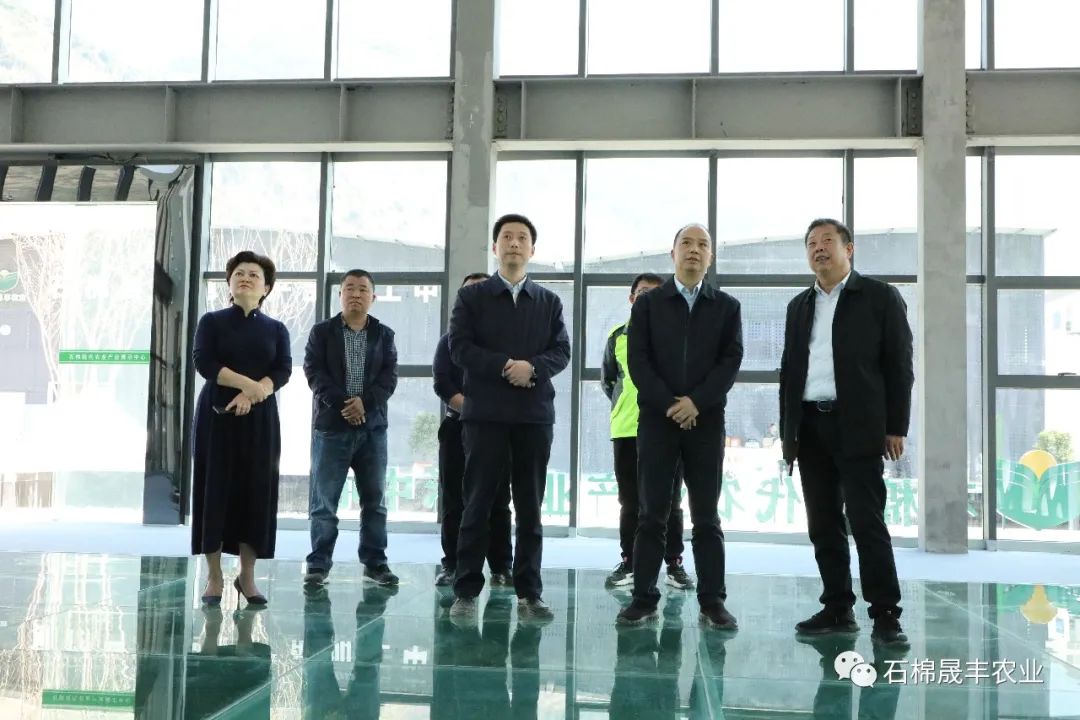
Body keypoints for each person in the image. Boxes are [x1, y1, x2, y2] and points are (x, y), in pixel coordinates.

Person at [779, 218, 913, 648]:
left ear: (848, 248)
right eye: (811, 244)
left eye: (827, 241)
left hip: (859, 425)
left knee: (866, 521)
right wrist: (788, 435)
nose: (819, 249)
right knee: (822, 524)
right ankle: (837, 606)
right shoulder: (799, 306)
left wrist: (896, 426)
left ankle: (886, 613)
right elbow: (789, 373)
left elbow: (899, 366)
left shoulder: (879, 296)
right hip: (810, 426)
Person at [617, 223, 743, 630]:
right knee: (652, 513)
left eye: (702, 244)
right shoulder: (649, 305)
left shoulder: (726, 307)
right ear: (672, 254)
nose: (694, 250)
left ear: (711, 257)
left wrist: (696, 402)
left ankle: (713, 602)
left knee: (706, 516)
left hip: (705, 422)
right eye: (686, 243)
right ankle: (643, 598)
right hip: (658, 421)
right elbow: (638, 362)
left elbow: (730, 361)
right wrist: (671, 404)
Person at [448, 213, 571, 623]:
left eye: (522, 238)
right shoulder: (473, 298)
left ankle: (529, 593)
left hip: (533, 417)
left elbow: (562, 352)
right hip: (485, 416)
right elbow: (459, 348)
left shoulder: (549, 302)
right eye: (506, 237)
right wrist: (504, 366)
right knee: (477, 504)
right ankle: (466, 591)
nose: (514, 243)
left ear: (532, 249)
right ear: (495, 247)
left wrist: (532, 368)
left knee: (530, 508)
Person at [191, 250, 291, 608]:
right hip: (217, 415)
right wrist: (248, 385)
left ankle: (247, 576)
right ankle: (214, 576)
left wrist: (254, 393)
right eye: (239, 274)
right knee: (214, 491)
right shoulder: (212, 321)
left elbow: (283, 370)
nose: (245, 278)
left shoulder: (276, 329)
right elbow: (204, 361)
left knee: (256, 493)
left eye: (254, 275)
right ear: (229, 284)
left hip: (260, 420)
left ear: (266, 288)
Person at [303, 269, 399, 587]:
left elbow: (388, 378)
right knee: (324, 502)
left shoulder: (384, 335)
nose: (356, 294)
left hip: (373, 430)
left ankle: (375, 563)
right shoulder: (321, 333)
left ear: (373, 297)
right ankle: (318, 564)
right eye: (350, 288)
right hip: (331, 428)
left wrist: (364, 405)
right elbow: (314, 373)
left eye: (363, 289)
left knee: (375, 502)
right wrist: (346, 404)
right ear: (340, 294)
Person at [601, 272, 693, 591]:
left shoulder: (678, 334)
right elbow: (609, 381)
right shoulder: (617, 336)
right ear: (632, 299)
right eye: (642, 293)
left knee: (671, 501)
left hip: (668, 428)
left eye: (655, 292)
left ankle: (674, 564)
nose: (648, 298)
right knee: (630, 501)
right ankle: (629, 561)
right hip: (626, 429)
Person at [432, 272, 513, 588]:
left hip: (497, 431)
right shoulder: (449, 340)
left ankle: (501, 567)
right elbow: (442, 383)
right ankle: (453, 564)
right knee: (455, 499)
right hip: (457, 427)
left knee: (498, 501)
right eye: (469, 292)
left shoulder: (506, 340)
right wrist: (474, 409)